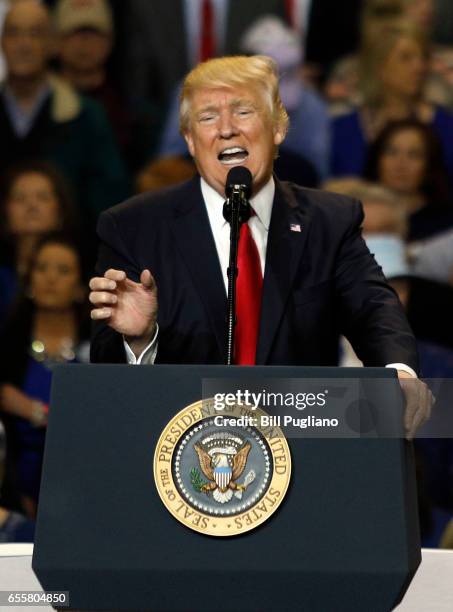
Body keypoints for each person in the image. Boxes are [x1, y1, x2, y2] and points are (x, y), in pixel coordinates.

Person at [89, 55, 433, 439]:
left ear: (278, 127)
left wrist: (398, 375)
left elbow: (373, 310)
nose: (226, 130)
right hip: (178, 458)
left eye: (243, 111)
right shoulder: (133, 226)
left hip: (304, 451)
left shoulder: (329, 222)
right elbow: (106, 381)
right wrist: (139, 340)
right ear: (189, 139)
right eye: (207, 118)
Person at [0, 0, 129, 231]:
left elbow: (109, 204)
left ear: (52, 44)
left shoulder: (86, 116)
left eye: (35, 34)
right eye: (14, 33)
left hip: (70, 257)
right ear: (2, 42)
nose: (24, 45)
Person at [0, 232, 90, 517]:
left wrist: (35, 411)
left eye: (63, 271)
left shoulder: (101, 347)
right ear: (29, 280)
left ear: (79, 286)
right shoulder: (7, 343)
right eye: (42, 268)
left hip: (83, 488)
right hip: (12, 490)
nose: (50, 278)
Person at [330, 21, 453, 180]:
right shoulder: (343, 129)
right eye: (406, 58)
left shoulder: (446, 126)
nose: (419, 67)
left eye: (423, 58)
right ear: (380, 66)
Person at [0, 160, 78, 325]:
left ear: (61, 211)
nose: (31, 205)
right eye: (20, 198)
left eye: (43, 197)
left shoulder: (81, 273)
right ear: (5, 212)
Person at [364, 119, 453, 241]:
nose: (401, 164)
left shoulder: (447, 223)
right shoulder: (355, 214)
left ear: (429, 164)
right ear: (377, 159)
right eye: (391, 152)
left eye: (414, 155)